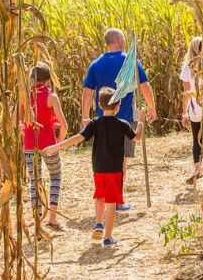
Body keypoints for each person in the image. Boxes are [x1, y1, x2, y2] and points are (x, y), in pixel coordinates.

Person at [45, 88, 146, 247]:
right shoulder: (123, 124)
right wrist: (140, 120)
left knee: (100, 196)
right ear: (118, 105)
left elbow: (77, 138)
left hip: (98, 168)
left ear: (99, 105)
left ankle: (99, 222)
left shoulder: (94, 123)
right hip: (115, 169)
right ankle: (108, 237)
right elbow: (138, 138)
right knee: (111, 202)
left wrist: (56, 147)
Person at [82, 28, 157, 211]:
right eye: (122, 38)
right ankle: (116, 200)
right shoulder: (130, 61)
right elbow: (144, 87)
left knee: (105, 158)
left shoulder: (96, 64)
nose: (124, 41)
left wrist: (85, 116)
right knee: (120, 160)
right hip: (124, 118)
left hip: (102, 120)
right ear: (117, 39)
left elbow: (87, 93)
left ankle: (108, 197)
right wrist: (152, 108)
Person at [21, 61, 68, 230]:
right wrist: (59, 144)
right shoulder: (51, 97)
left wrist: (25, 133)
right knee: (55, 176)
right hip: (49, 144)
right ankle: (53, 218)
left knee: (35, 181)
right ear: (48, 80)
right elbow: (64, 125)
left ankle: (37, 223)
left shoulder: (25, 97)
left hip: (29, 145)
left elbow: (14, 122)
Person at [179, 36, 203, 185]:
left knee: (196, 141)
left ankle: (197, 170)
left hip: (194, 111)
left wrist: (184, 113)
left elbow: (186, 94)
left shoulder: (187, 68)